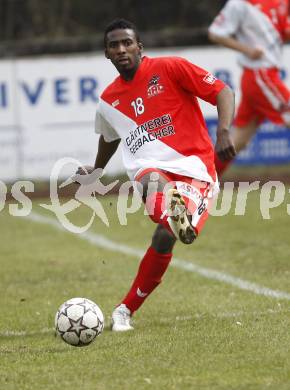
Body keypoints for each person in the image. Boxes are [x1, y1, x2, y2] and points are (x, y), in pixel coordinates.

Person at [75, 18, 235, 331]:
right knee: (149, 178)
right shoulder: (108, 101)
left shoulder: (171, 68)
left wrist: (224, 131)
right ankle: (175, 211)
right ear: (106, 53)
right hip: (149, 169)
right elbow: (109, 137)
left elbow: (223, 91)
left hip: (195, 169)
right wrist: (95, 171)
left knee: (165, 236)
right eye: (114, 45)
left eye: (127, 43)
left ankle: (125, 308)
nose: (121, 49)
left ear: (139, 46)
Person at [208, 0, 290, 176]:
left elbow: (283, 32)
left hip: (264, 76)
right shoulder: (239, 4)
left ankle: (198, 184)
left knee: (236, 142)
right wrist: (247, 49)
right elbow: (215, 33)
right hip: (260, 75)